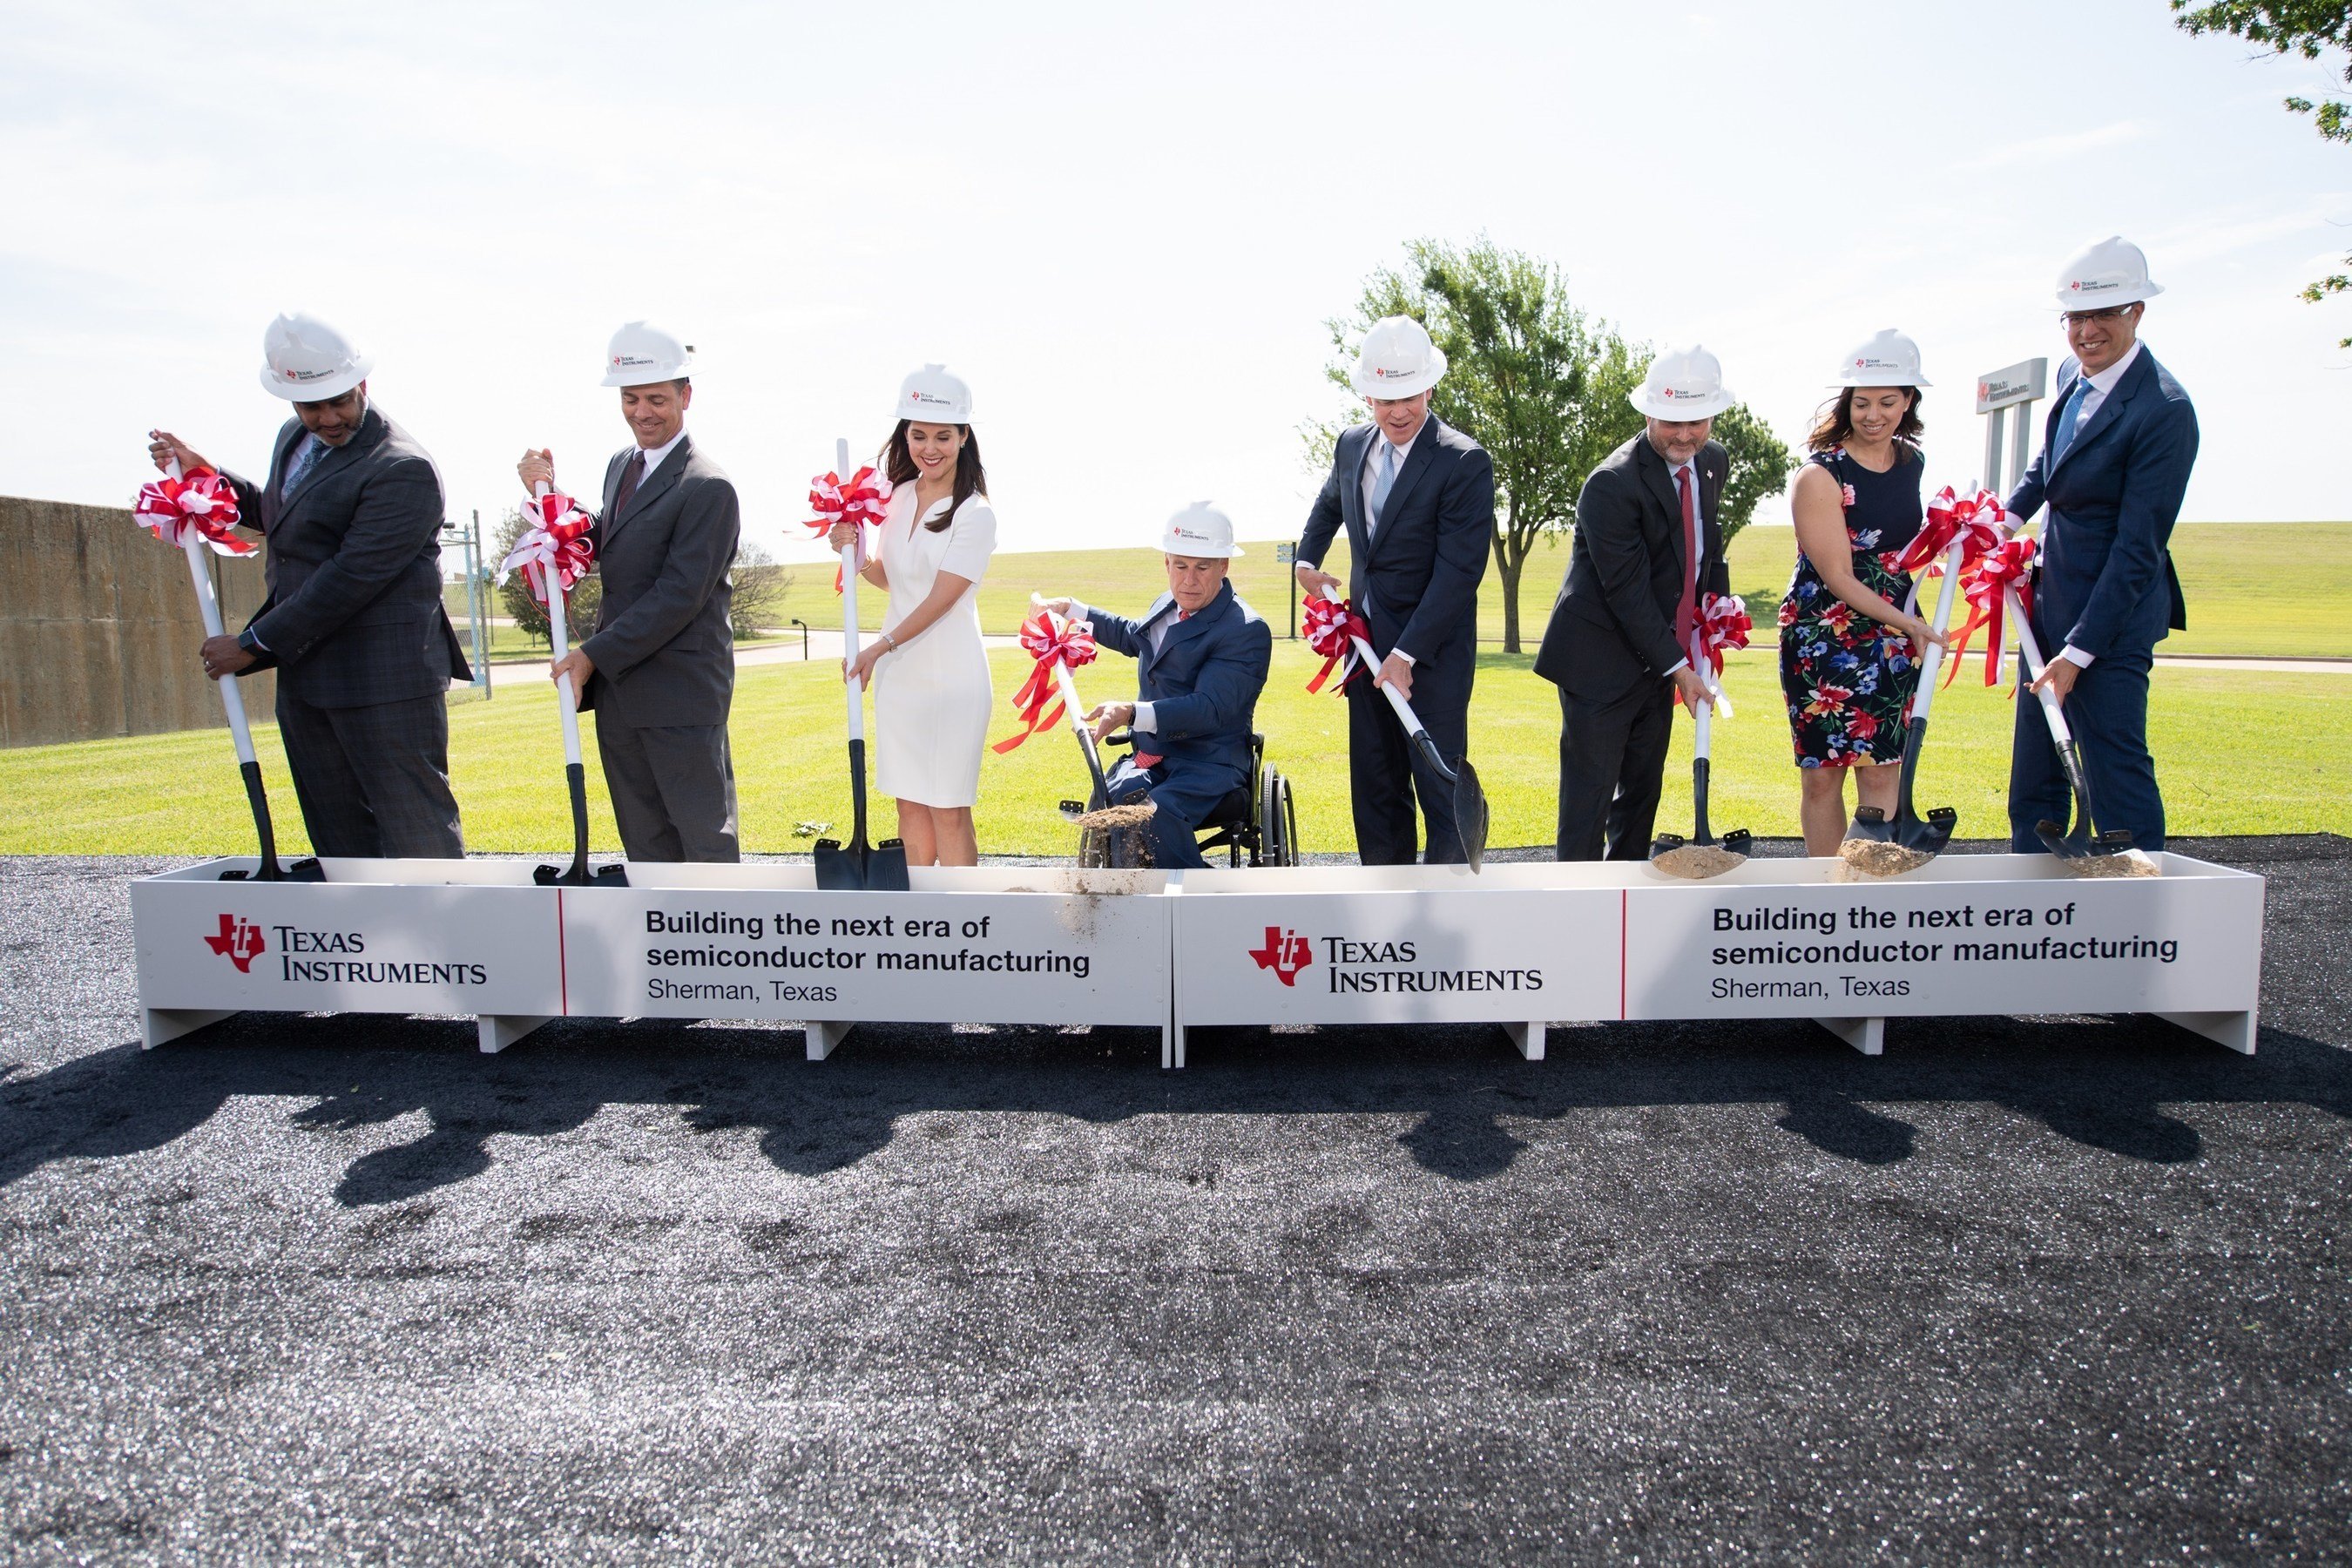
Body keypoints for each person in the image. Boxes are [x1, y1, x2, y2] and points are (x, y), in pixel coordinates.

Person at [146, 313, 469, 860]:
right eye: (311, 406)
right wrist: (210, 477)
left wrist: (252, 644)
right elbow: (288, 518)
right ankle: (358, 920)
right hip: (309, 674)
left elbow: (351, 576)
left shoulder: (401, 468)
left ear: (362, 383)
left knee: (416, 830)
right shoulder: (294, 436)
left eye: (339, 402)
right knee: (338, 837)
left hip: (383, 678)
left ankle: (441, 920)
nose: (327, 418)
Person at [517, 321, 741, 862]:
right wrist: (552, 501)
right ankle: (660, 922)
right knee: (645, 842)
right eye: (631, 398)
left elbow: (678, 595)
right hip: (621, 692)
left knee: (703, 841)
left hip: (680, 693)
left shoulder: (708, 487)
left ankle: (719, 923)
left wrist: (590, 655)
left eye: (657, 399)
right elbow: (616, 535)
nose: (643, 412)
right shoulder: (622, 465)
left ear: (685, 396)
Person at [2004, 237, 2198, 853]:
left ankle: (2135, 893)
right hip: (2047, 606)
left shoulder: (2165, 410)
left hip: (2111, 623)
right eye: (2076, 317)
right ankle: (2034, 889)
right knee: (2035, 774)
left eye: (2104, 315)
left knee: (2114, 768)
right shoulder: (2072, 375)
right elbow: (2049, 464)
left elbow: (2139, 548)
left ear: (2137, 311)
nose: (2087, 332)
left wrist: (2078, 654)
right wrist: (2002, 523)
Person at [1293, 315, 1493, 865]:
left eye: (1409, 396)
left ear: (1430, 388)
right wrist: (1308, 560)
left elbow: (1459, 572)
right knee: (1377, 790)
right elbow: (1330, 503)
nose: (1398, 411)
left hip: (1433, 655)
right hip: (1364, 650)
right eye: (1385, 400)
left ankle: (1448, 904)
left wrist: (1406, 655)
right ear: (1367, 395)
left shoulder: (1463, 461)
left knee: (1439, 791)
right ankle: (1386, 902)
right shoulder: (1351, 445)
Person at [1533, 347, 1732, 861]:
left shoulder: (1712, 462)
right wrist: (1679, 668)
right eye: (1671, 422)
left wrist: (1717, 617)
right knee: (1590, 802)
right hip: (1600, 660)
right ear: (1647, 413)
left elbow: (1707, 549)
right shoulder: (1612, 484)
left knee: (1642, 795)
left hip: (1658, 657)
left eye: (1696, 421)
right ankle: (1578, 898)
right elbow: (1627, 592)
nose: (1684, 435)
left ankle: (1625, 896)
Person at [1779, 330, 1946, 855]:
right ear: (1846, 402)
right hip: (1825, 635)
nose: (1874, 415)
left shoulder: (1912, 462)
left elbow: (1903, 546)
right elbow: (1839, 577)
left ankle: (1871, 884)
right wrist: (1911, 623)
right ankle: (1829, 887)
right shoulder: (1819, 475)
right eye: (1862, 402)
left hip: (1894, 634)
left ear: (1909, 401)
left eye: (1887, 402)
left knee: (1882, 769)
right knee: (1823, 775)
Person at [1039, 504, 1273, 869]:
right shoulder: (1167, 604)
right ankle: (1119, 892)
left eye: (1202, 567)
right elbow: (1131, 635)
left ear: (1224, 566)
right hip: (1151, 757)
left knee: (1152, 815)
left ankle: (1197, 895)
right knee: (1110, 800)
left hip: (1208, 763)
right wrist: (1071, 609)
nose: (1189, 580)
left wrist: (1132, 713)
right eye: (1180, 566)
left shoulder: (1245, 629)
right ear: (1167, 562)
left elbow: (1209, 708)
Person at [829, 364, 997, 868]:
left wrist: (879, 647)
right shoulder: (897, 497)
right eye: (919, 435)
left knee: (948, 809)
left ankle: (964, 912)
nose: (930, 447)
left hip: (951, 680)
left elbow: (941, 598)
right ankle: (920, 910)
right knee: (909, 805)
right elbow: (895, 579)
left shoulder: (976, 514)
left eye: (943, 436)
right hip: (900, 676)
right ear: (905, 435)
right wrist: (856, 556)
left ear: (963, 437)